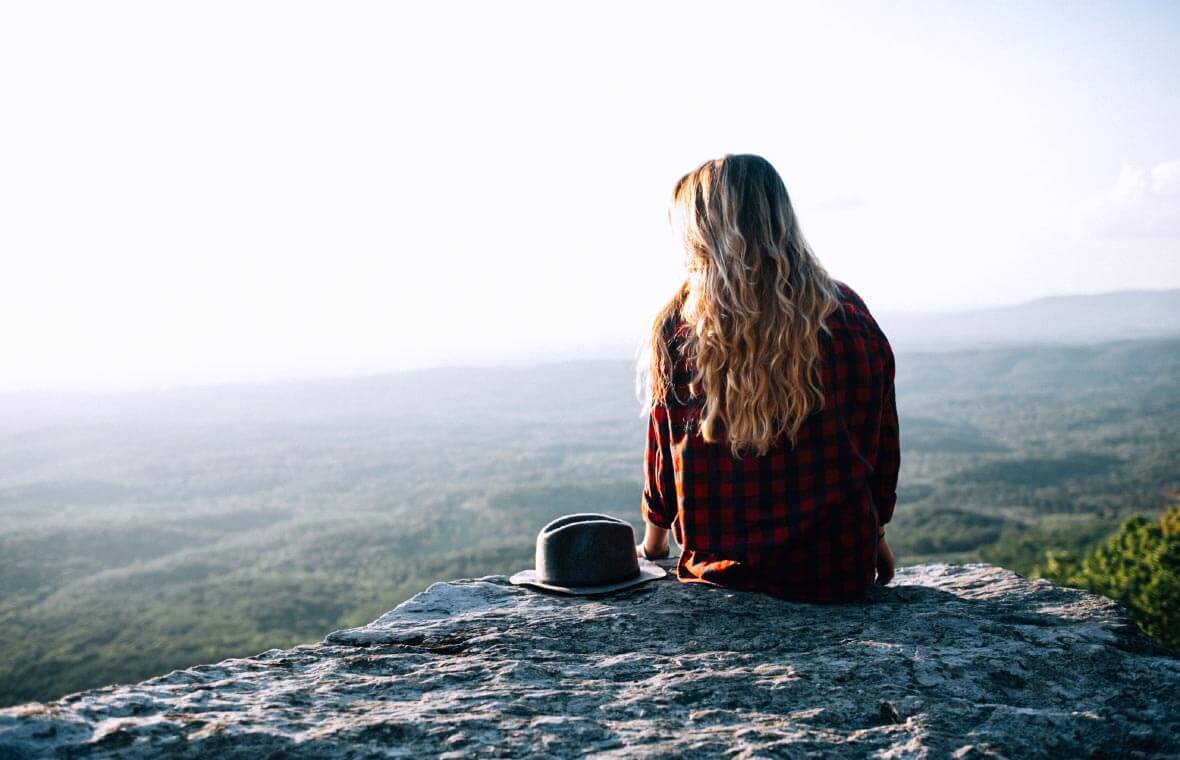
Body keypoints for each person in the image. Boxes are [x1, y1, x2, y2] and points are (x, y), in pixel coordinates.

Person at [635, 153, 899, 603]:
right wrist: (875, 542)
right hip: (836, 573)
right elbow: (875, 450)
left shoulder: (680, 326)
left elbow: (665, 464)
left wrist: (651, 549)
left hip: (722, 579)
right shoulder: (848, 315)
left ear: (699, 235)